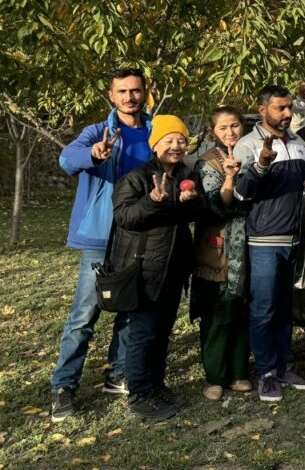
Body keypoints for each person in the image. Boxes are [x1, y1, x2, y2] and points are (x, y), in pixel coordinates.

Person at [50, 67, 153, 423]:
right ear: (111, 95)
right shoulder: (97, 131)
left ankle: (118, 374)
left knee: (130, 306)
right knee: (84, 314)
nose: (129, 97)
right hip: (99, 235)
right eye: (122, 91)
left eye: (135, 90)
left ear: (145, 92)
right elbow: (66, 160)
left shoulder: (155, 130)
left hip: (137, 232)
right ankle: (63, 386)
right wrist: (93, 154)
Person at [111, 115, 209, 421]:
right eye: (169, 140)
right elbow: (124, 217)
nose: (176, 146)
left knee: (162, 332)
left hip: (174, 267)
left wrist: (192, 201)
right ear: (155, 145)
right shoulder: (137, 178)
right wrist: (152, 200)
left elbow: (200, 212)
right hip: (144, 267)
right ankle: (139, 394)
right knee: (143, 333)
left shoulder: (187, 175)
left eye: (181, 140)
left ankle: (156, 386)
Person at [234, 85, 305, 403]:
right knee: (263, 309)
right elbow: (240, 194)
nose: (287, 113)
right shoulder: (247, 145)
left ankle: (285, 366)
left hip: (295, 238)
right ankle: (266, 373)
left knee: (284, 309)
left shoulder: (297, 143)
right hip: (264, 240)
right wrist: (261, 166)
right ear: (262, 109)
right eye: (280, 108)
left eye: (289, 108)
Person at [191, 106, 252, 401]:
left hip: (250, 243)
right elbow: (217, 206)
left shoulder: (252, 155)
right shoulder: (207, 163)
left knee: (243, 309)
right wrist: (229, 178)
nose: (231, 132)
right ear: (213, 132)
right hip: (220, 246)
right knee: (217, 312)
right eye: (223, 128)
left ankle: (240, 370)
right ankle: (215, 376)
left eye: (235, 125)